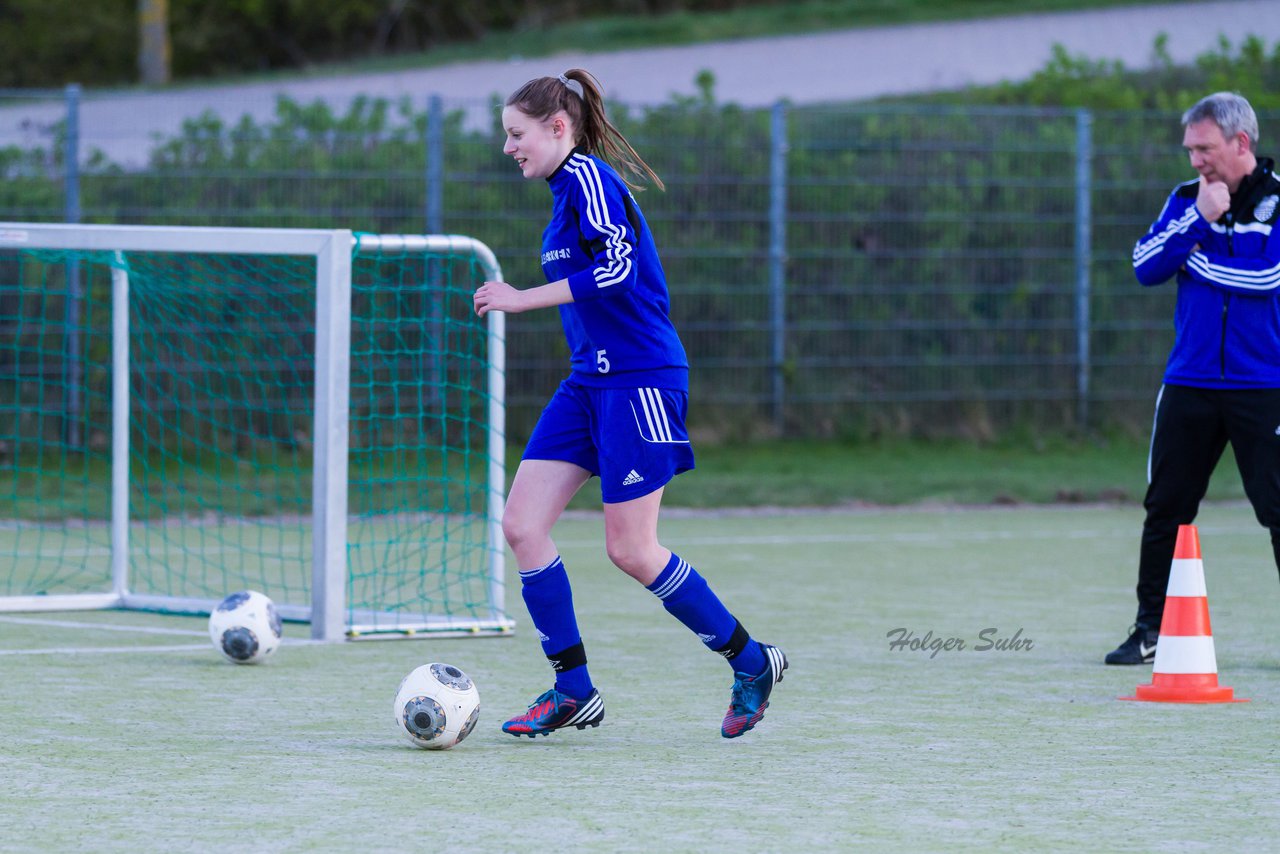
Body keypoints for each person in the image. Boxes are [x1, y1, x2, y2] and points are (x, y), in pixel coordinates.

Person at [473, 69, 788, 736]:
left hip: (641, 379)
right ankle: (572, 688)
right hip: (588, 381)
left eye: (516, 133)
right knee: (522, 526)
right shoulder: (564, 192)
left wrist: (518, 297)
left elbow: (616, 271)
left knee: (632, 549)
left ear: (557, 128)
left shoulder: (589, 178)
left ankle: (751, 660)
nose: (508, 147)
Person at [1106, 91, 1280, 665]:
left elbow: (1265, 279)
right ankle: (1149, 630)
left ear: (1241, 143)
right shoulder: (1186, 201)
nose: (1195, 161)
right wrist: (1197, 220)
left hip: (1266, 387)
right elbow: (1144, 266)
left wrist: (1193, 256)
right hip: (1190, 383)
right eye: (1190, 150)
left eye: (1204, 148)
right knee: (1166, 508)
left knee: (1277, 511)